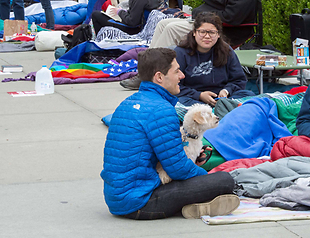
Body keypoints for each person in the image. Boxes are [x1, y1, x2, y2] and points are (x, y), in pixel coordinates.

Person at [101, 48, 240, 220]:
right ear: (159, 77)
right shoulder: (161, 110)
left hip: (116, 197)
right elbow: (178, 169)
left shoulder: (127, 102)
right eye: (177, 71)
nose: (182, 76)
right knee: (224, 180)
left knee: (200, 173)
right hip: (141, 202)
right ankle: (198, 203)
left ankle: (196, 204)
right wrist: (205, 180)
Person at [121, 0, 260, 90]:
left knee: (170, 28)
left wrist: (203, 16)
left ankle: (153, 77)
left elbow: (232, 17)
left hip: (215, 28)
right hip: (205, 22)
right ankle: (146, 71)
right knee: (163, 23)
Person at [175, 12, 254, 107]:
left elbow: (239, 80)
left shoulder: (226, 50)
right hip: (193, 99)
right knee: (179, 102)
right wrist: (199, 95)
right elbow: (174, 85)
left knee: (249, 96)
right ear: (194, 33)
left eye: (212, 32)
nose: (207, 36)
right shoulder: (181, 53)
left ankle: (221, 110)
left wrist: (226, 91)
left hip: (222, 98)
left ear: (218, 34)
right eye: (202, 32)